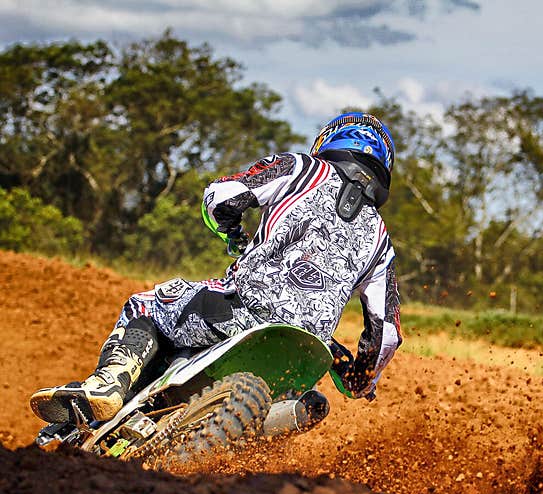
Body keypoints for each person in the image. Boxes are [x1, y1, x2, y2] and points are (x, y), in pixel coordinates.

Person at [30, 112, 403, 434]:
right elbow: (386, 334)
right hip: (306, 356)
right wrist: (359, 380)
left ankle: (107, 386)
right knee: (313, 399)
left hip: (241, 312)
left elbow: (221, 196)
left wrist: (232, 232)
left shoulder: (303, 167)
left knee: (146, 306)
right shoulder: (382, 242)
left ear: (332, 141)